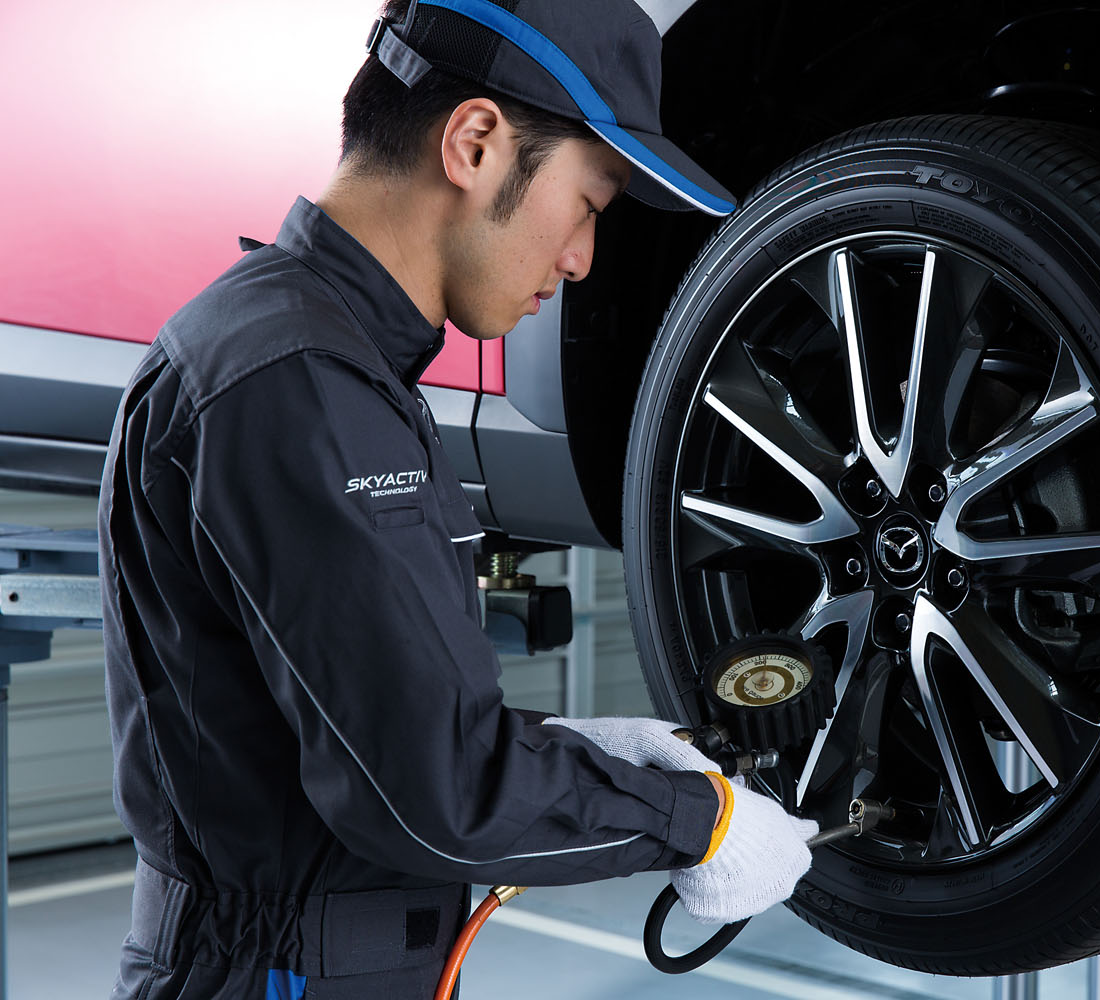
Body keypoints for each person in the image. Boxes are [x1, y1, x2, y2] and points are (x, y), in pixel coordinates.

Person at [99, 2, 817, 997]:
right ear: (476, 142)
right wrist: (698, 826)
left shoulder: (307, 355)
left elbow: (363, 718)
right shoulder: (299, 385)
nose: (582, 260)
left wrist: (578, 751)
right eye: (590, 204)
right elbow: (436, 795)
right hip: (278, 974)